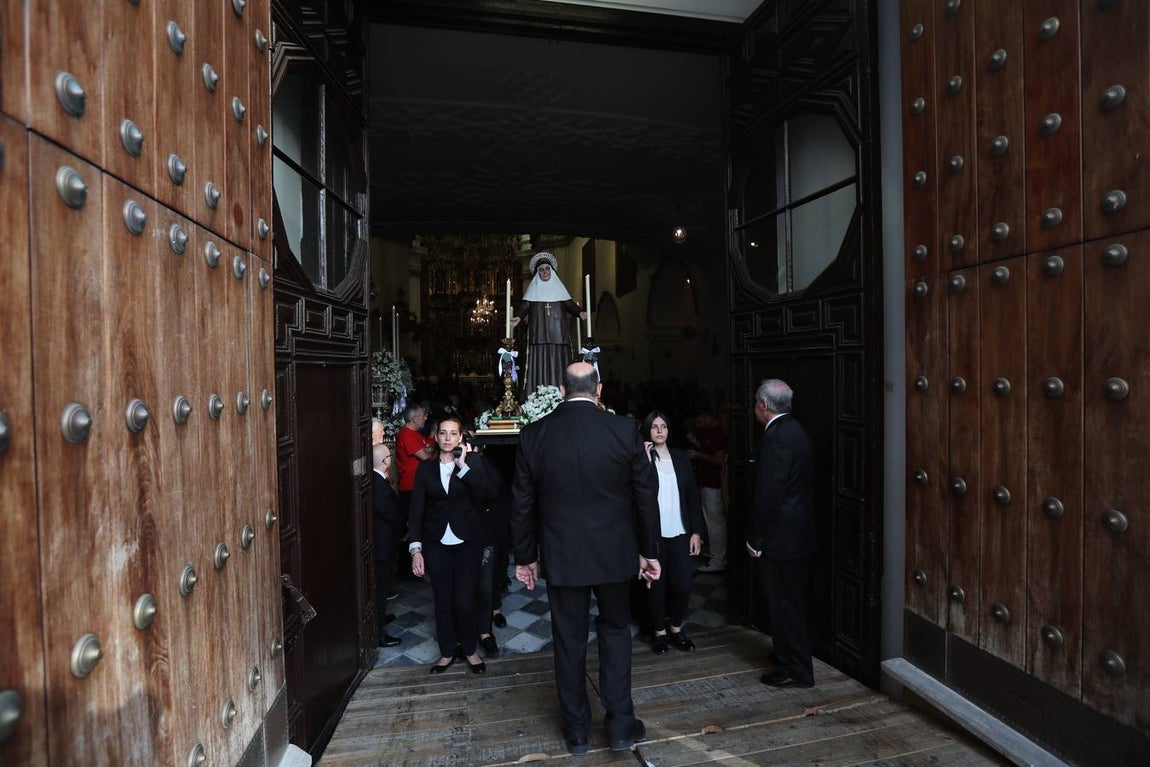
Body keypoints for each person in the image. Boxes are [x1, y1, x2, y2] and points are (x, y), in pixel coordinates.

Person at [510, 362, 661, 755]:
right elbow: (645, 497)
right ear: (599, 389)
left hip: (562, 555)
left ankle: (576, 731)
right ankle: (621, 726)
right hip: (615, 553)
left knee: (568, 638)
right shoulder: (624, 430)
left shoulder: (534, 434)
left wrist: (525, 557)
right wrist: (649, 551)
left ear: (562, 390)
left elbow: (522, 503)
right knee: (616, 632)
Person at [409, 413, 500, 674]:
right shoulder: (425, 469)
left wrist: (464, 467)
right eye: (443, 433)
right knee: (443, 601)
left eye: (453, 433)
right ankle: (447, 652)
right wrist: (416, 549)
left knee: (465, 601)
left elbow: (488, 496)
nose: (447, 438)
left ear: (460, 437)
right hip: (435, 542)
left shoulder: (472, 463)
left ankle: (470, 650)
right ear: (436, 437)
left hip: (467, 542)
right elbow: (416, 510)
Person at [747, 379, 816, 689]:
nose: (754, 408)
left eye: (755, 403)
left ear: (763, 406)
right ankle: (787, 655)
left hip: (780, 540)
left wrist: (755, 540)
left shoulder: (776, 438)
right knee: (790, 603)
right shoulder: (797, 431)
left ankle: (796, 670)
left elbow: (769, 496)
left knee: (784, 606)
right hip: (798, 537)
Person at [640, 411, 705, 655]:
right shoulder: (642, 459)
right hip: (654, 534)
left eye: (664, 426)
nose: (659, 430)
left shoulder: (680, 457)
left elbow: (692, 496)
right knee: (656, 586)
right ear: (647, 430)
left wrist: (696, 531)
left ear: (669, 430)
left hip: (680, 531)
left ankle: (676, 629)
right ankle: (659, 633)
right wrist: (645, 459)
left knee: (682, 585)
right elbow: (639, 493)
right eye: (654, 426)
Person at [510, 251, 587, 394]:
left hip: (559, 334)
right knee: (539, 362)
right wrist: (518, 317)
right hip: (538, 334)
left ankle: (562, 392)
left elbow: (569, 304)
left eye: (547, 269)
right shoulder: (533, 291)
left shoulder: (560, 290)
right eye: (541, 270)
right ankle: (537, 393)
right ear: (537, 273)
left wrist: (580, 312)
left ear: (551, 271)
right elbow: (525, 305)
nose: (544, 272)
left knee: (559, 361)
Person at [686, 410, 728, 573]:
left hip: (713, 484)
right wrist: (697, 444)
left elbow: (719, 460)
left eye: (699, 422)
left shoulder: (717, 433)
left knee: (715, 523)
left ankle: (719, 560)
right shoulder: (712, 433)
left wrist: (698, 454)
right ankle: (715, 554)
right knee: (711, 521)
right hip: (707, 483)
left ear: (707, 417)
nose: (699, 425)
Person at [371, 443, 403, 647]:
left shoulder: (377, 480)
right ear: (385, 461)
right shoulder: (378, 484)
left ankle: (380, 619)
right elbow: (389, 513)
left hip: (384, 543)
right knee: (380, 589)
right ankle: (378, 634)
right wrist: (404, 528)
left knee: (382, 585)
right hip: (382, 545)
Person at [395, 405, 435, 520]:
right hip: (411, 485)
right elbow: (425, 456)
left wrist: (429, 450)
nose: (425, 418)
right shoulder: (407, 434)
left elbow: (428, 449)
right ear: (414, 419)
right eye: (423, 416)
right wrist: (432, 452)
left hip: (417, 484)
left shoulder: (415, 433)